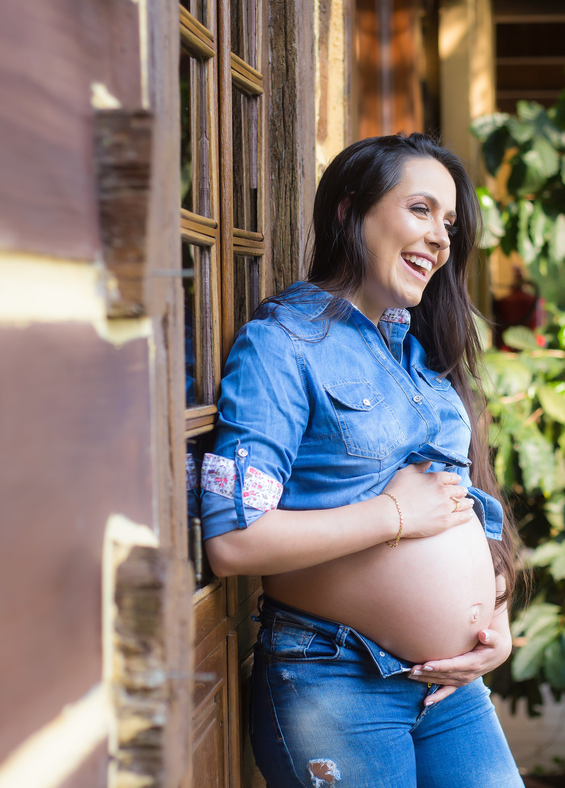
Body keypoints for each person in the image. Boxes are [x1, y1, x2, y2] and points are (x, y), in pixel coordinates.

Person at [199, 133, 524, 787]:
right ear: (350, 211)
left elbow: (466, 503)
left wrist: (495, 619)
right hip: (337, 682)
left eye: (451, 223)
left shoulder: (421, 356)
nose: (440, 238)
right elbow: (233, 540)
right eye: (421, 210)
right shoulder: (282, 346)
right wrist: (394, 516)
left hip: (448, 690)